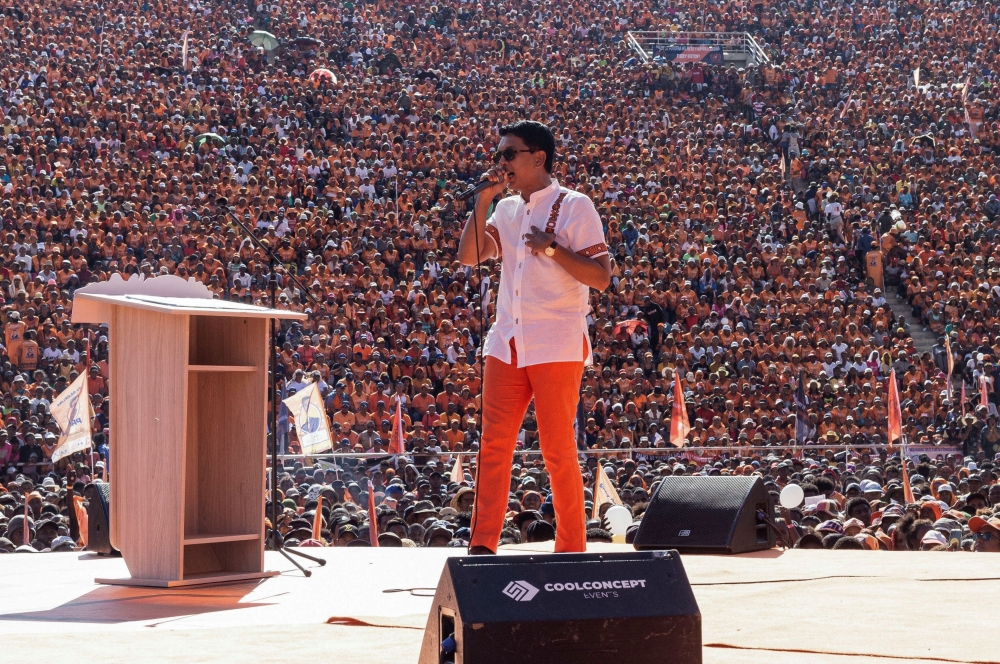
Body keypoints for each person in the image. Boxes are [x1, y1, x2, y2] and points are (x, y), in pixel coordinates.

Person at [457, 121, 611, 554]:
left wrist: (551, 247)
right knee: (493, 446)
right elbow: (469, 256)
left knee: (557, 449)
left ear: (538, 157)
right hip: (506, 340)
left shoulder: (575, 205)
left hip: (556, 340)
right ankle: (483, 545)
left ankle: (571, 547)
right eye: (499, 154)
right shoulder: (504, 209)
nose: (500, 162)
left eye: (509, 154)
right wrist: (484, 202)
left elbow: (601, 278)